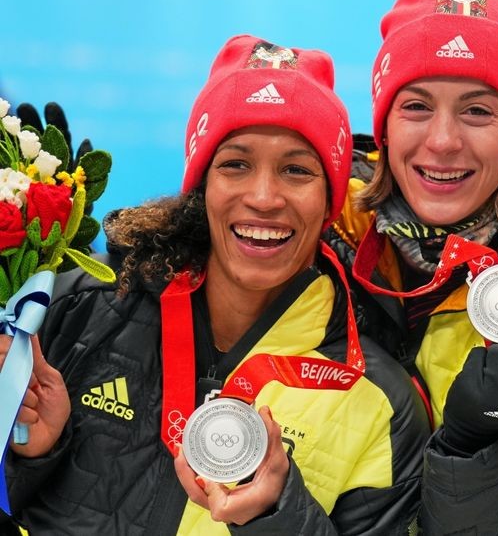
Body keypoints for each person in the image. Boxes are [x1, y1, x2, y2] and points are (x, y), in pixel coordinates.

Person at [2, 35, 428, 534]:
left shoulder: (379, 401)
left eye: (296, 170)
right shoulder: (73, 308)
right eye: (235, 164)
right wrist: (34, 452)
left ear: (329, 200)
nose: (264, 197)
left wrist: (277, 518)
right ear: (204, 186)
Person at [326, 0, 498, 533]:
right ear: (383, 124)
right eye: (417, 106)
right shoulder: (313, 243)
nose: (443, 140)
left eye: (476, 112)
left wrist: (477, 438)